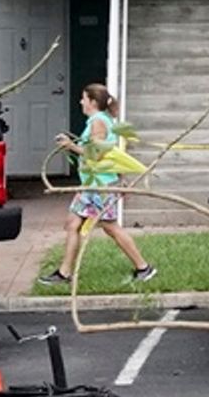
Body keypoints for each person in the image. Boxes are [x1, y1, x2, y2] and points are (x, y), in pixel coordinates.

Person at [37, 83, 156, 286]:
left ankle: (143, 267)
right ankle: (64, 274)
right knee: (73, 224)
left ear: (93, 102)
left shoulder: (98, 121)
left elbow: (98, 154)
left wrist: (71, 146)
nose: (81, 102)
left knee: (110, 228)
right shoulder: (99, 120)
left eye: (84, 98)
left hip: (100, 186)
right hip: (91, 185)